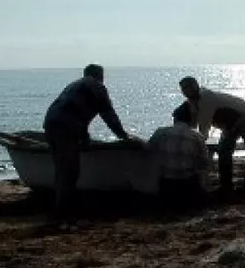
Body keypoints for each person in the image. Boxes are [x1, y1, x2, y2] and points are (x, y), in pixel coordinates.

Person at [43, 64, 135, 215]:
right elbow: (108, 114)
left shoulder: (75, 85)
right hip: (65, 127)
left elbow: (75, 112)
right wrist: (123, 136)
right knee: (69, 171)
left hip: (51, 123)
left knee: (61, 170)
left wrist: (84, 138)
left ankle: (61, 209)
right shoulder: (96, 86)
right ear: (99, 76)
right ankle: (63, 213)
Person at [179, 76, 245, 199]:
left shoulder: (206, 99)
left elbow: (203, 130)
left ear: (196, 86)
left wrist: (196, 148)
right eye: (184, 89)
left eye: (188, 87)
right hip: (228, 123)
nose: (186, 91)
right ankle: (227, 185)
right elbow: (194, 124)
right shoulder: (192, 102)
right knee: (224, 152)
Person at [148, 102, 210, 206]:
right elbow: (204, 163)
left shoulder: (160, 132)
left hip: (166, 185)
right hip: (187, 186)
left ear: (175, 118)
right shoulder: (197, 137)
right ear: (191, 120)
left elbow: (148, 150)